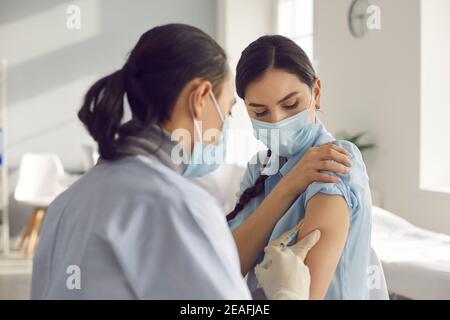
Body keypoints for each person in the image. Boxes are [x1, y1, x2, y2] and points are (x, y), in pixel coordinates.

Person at [30, 24, 337, 300]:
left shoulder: (65, 204)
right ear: (201, 97)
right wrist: (287, 293)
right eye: (229, 110)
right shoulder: (178, 205)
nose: (224, 127)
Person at [227, 35, 386, 299]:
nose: (277, 121)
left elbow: (306, 293)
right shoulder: (259, 168)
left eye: (291, 105)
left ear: (316, 92)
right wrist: (289, 186)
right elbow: (227, 267)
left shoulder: (335, 160)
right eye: (260, 112)